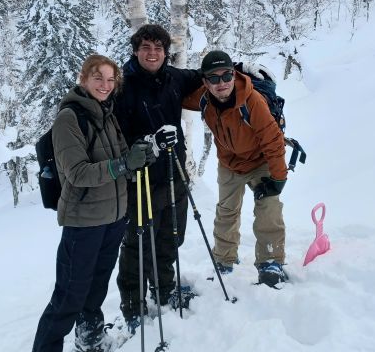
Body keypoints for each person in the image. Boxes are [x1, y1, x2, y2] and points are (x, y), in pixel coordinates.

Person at [27, 55, 155, 352]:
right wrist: (124, 164)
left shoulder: (107, 114)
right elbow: (77, 172)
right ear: (84, 78)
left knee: (97, 286)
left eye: (111, 80)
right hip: (83, 220)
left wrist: (141, 152)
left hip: (113, 217)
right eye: (98, 78)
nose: (105, 85)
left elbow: (123, 158)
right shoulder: (69, 118)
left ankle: (90, 339)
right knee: (69, 293)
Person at [114, 24, 202, 328]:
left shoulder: (174, 77)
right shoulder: (122, 87)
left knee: (169, 240)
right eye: (146, 48)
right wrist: (147, 144)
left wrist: (239, 69)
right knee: (138, 246)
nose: (152, 54)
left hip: (174, 175)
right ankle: (133, 307)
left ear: (166, 52)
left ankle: (164, 291)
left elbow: (205, 74)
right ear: (136, 51)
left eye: (158, 48)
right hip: (140, 181)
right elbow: (114, 136)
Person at [183, 50, 289, 287]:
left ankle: (271, 261)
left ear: (234, 75)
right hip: (230, 164)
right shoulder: (202, 98)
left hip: (260, 161)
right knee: (226, 212)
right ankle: (224, 260)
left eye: (227, 76)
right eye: (214, 78)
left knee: (268, 208)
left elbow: (273, 141)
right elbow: (174, 94)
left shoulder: (252, 101)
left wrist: (278, 178)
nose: (221, 83)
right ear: (205, 81)